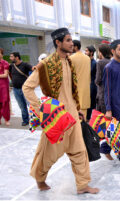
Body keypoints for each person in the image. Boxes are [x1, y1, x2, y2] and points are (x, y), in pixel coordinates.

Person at [22, 27, 99, 194]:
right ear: (58, 42)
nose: (72, 43)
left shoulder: (68, 62)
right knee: (48, 154)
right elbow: (27, 87)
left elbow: (70, 91)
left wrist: (76, 109)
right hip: (57, 118)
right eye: (68, 40)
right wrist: (43, 111)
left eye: (72, 40)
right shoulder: (46, 65)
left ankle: (82, 185)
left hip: (72, 116)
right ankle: (39, 178)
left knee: (79, 151)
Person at [9, 52, 32, 126]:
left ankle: (36, 119)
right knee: (22, 106)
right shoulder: (12, 66)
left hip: (25, 89)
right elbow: (9, 73)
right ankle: (25, 120)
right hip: (16, 89)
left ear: (17, 57)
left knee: (30, 105)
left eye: (12, 57)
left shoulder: (25, 65)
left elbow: (33, 69)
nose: (10, 58)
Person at [70, 40, 91, 119]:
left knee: (75, 119)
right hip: (85, 91)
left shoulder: (71, 58)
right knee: (84, 119)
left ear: (75, 47)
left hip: (75, 92)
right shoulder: (87, 58)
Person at [95, 44, 111, 113]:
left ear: (101, 52)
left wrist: (96, 82)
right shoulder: (112, 62)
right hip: (111, 92)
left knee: (102, 117)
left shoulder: (100, 63)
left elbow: (98, 79)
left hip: (102, 92)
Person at [85, 45, 97, 121]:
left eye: (87, 51)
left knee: (91, 104)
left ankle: (89, 119)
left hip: (92, 86)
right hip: (87, 85)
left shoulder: (94, 63)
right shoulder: (86, 61)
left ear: (91, 52)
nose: (85, 52)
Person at [0, 48, 10, 126]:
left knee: (5, 102)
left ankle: (6, 119)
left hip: (3, 85)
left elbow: (5, 75)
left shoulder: (5, 63)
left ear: (2, 54)